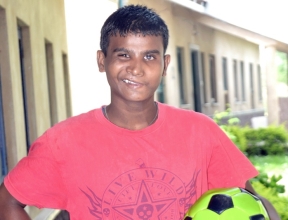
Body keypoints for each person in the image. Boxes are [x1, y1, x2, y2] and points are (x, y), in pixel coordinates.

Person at [0, 4, 280, 220]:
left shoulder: (200, 131)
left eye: (149, 56)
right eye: (124, 55)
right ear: (102, 60)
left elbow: (252, 203)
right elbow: (8, 201)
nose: (136, 68)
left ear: (166, 63)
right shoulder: (63, 141)